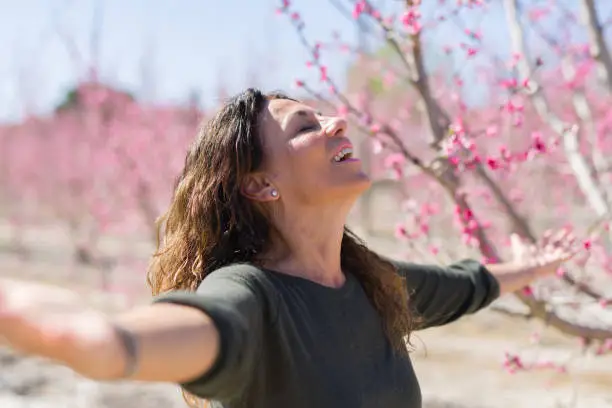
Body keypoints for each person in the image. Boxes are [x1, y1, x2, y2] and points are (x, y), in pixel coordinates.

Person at [0, 89, 577, 408]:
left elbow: (466, 285)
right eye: (305, 126)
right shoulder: (252, 294)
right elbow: (173, 337)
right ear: (259, 184)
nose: (338, 122)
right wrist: (101, 343)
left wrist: (536, 266)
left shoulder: (370, 282)